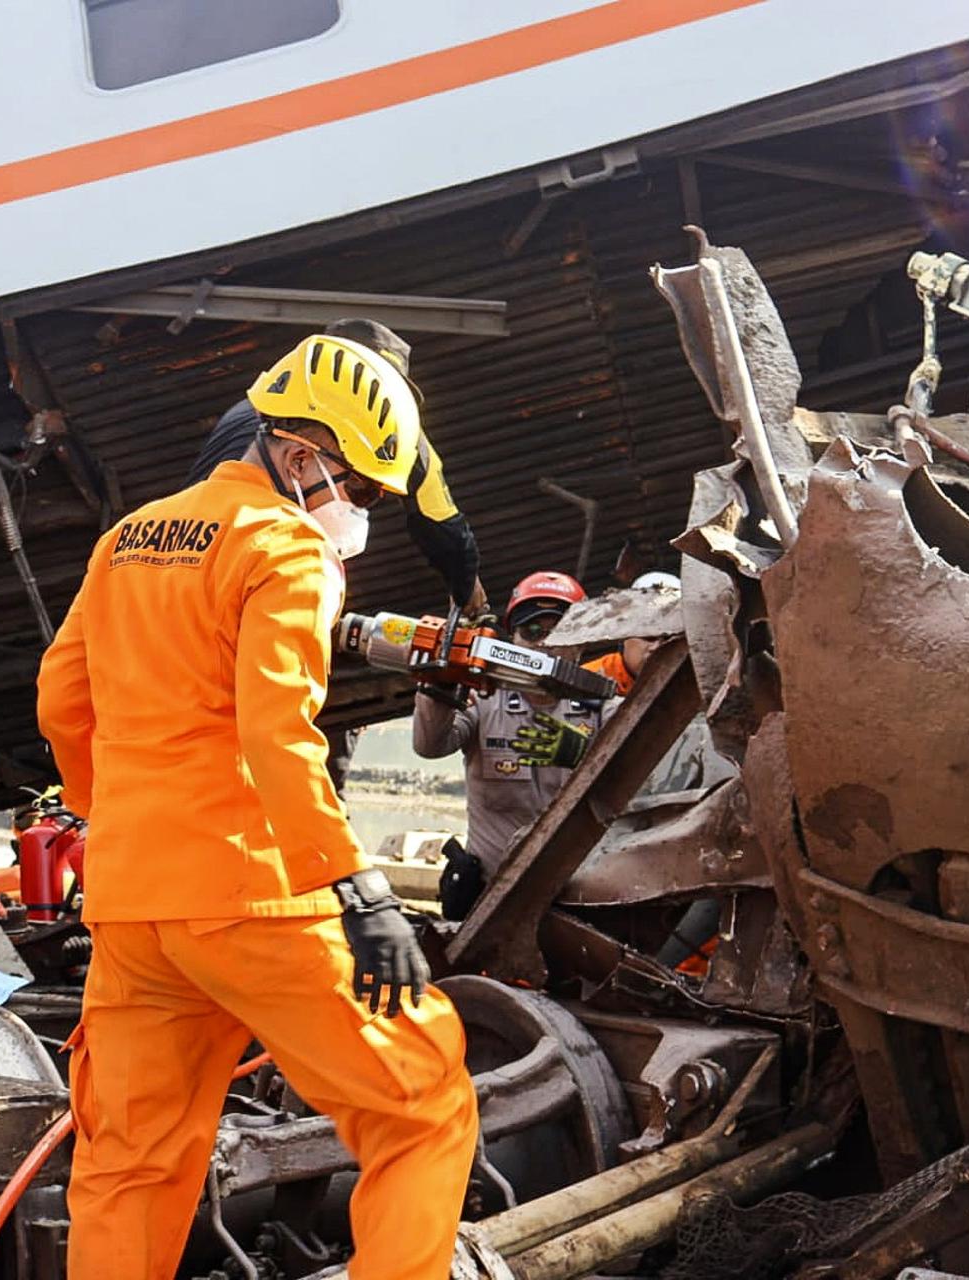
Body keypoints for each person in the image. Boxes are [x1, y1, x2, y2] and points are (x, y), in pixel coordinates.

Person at [38, 333, 478, 1280]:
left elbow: (59, 699)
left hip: (131, 909)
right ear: (300, 453)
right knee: (423, 1102)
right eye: (360, 490)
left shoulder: (127, 540)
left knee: (127, 1165)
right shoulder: (287, 552)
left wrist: (112, 823)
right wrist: (360, 891)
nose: (361, 512)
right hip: (251, 895)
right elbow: (277, 733)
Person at [186, 317, 486, 613]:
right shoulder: (394, 433)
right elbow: (439, 520)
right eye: (362, 488)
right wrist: (465, 587)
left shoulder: (261, 399)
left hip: (187, 560)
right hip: (262, 569)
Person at [412, 570, 604, 919]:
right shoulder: (483, 699)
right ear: (512, 638)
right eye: (532, 631)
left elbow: (646, 783)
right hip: (489, 896)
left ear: (583, 641)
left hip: (576, 895)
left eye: (559, 631)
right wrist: (437, 688)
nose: (544, 642)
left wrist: (587, 756)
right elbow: (430, 746)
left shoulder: (606, 708)